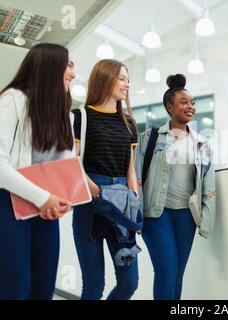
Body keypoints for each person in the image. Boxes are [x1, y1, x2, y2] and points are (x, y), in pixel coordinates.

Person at [0, 43, 76, 300]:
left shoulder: (63, 112)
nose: (73, 73)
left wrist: (66, 200)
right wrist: (43, 198)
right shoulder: (12, 100)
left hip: (45, 209)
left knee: (43, 287)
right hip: (8, 204)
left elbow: (66, 165)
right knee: (16, 286)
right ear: (50, 66)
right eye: (69, 65)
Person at [135, 74, 216, 300]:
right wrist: (136, 215)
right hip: (156, 214)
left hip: (186, 217)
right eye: (183, 102)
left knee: (178, 275)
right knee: (166, 272)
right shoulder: (150, 138)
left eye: (192, 103)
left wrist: (206, 222)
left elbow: (209, 185)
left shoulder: (202, 144)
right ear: (170, 107)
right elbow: (137, 178)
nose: (190, 106)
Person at [72, 59, 139, 300]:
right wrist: (93, 189)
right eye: (121, 78)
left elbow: (130, 166)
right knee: (94, 283)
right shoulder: (80, 116)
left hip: (122, 200)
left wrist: (133, 194)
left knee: (130, 282)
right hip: (89, 200)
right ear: (104, 78)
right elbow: (71, 161)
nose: (126, 84)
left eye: (128, 79)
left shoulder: (129, 122)